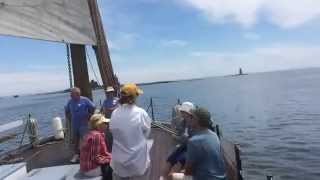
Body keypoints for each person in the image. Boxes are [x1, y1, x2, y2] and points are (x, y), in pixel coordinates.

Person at [110, 83, 152, 180]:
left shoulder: (114, 113)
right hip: (138, 162)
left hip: (119, 162)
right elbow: (147, 132)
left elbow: (112, 131)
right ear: (134, 97)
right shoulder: (141, 113)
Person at [184, 107, 226, 180]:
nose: (189, 119)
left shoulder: (193, 141)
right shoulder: (214, 135)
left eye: (191, 117)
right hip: (221, 177)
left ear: (196, 120)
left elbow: (188, 172)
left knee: (172, 176)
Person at [162, 102, 195, 179]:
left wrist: (179, 138)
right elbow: (180, 134)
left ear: (189, 113)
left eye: (183, 112)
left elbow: (193, 140)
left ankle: (177, 175)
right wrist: (177, 136)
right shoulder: (182, 122)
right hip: (184, 146)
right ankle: (162, 177)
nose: (181, 113)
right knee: (170, 160)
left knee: (181, 162)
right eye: (181, 112)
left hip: (192, 148)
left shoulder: (195, 124)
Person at [65, 87, 96, 163]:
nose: (71, 96)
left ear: (78, 94)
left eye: (72, 94)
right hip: (74, 124)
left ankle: (89, 155)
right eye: (70, 94)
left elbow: (93, 107)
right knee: (75, 141)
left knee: (86, 140)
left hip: (84, 124)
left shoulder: (84, 99)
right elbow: (66, 110)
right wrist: (69, 118)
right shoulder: (70, 101)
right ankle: (76, 155)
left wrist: (90, 115)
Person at [80, 114, 112, 180]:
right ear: (98, 125)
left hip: (85, 167)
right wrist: (110, 159)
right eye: (105, 123)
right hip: (91, 169)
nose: (107, 125)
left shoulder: (90, 133)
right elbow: (95, 157)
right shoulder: (96, 136)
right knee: (114, 167)